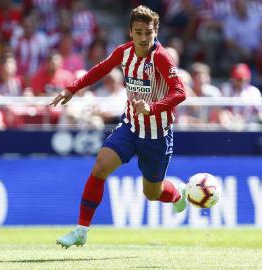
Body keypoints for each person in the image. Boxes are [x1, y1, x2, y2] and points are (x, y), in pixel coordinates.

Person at [50, 5, 188, 249]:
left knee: (152, 193)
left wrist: (152, 108)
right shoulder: (123, 53)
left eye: (148, 32)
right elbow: (101, 69)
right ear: (130, 32)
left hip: (157, 135)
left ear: (155, 31)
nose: (144, 38)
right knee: (100, 167)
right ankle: (81, 231)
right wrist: (72, 88)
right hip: (131, 127)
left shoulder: (162, 58)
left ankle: (177, 193)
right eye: (138, 32)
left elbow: (180, 93)